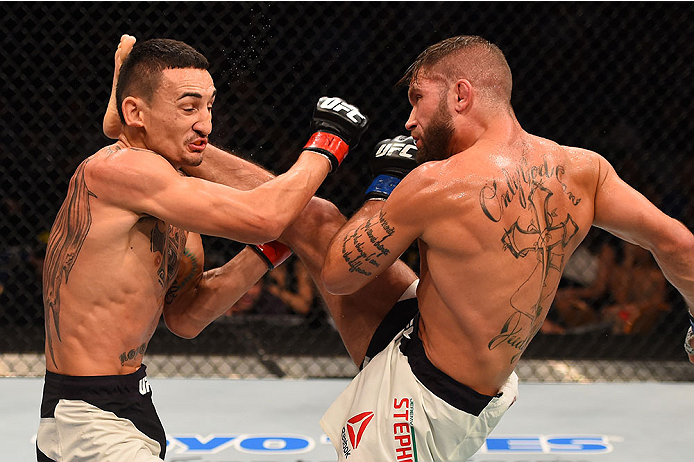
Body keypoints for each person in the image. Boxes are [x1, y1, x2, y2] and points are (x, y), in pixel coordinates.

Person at [315, 35, 694, 461]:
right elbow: (677, 242)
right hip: (471, 374)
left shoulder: (436, 183)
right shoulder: (586, 170)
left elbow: (337, 277)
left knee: (321, 233)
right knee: (314, 219)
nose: (409, 120)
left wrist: (385, 185)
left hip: (422, 401)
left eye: (417, 98)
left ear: (461, 94)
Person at [37, 35, 369, 461]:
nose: (206, 125)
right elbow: (263, 216)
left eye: (210, 107)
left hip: (132, 402)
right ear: (137, 112)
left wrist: (270, 250)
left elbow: (185, 317)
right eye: (189, 107)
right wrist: (330, 141)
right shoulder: (119, 169)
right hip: (85, 416)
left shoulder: (175, 210)